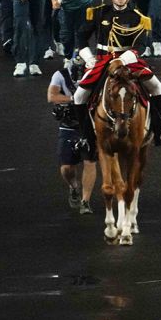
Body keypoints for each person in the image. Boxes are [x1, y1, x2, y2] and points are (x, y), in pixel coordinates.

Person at [69, 45, 161, 147]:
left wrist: (122, 59)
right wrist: (89, 58)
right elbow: (82, 37)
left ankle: (159, 131)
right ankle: (86, 139)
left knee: (157, 87)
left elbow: (141, 43)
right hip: (102, 62)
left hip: (129, 61)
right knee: (79, 96)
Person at [47, 53, 98, 215]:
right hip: (69, 125)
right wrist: (75, 99)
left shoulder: (97, 74)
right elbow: (52, 96)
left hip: (89, 125)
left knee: (90, 162)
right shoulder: (60, 75)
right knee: (67, 167)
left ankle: (85, 201)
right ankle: (73, 186)